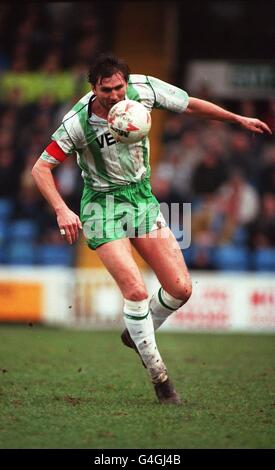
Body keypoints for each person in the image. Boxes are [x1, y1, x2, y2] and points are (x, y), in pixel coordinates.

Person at [31, 53, 272, 405]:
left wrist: (237, 118)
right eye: (106, 90)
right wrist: (61, 210)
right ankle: (161, 379)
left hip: (142, 198)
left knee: (181, 289)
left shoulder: (144, 90)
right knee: (136, 291)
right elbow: (41, 168)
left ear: (126, 82)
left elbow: (188, 104)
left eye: (118, 87)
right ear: (93, 88)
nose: (115, 95)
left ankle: (137, 333)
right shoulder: (76, 123)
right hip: (102, 206)